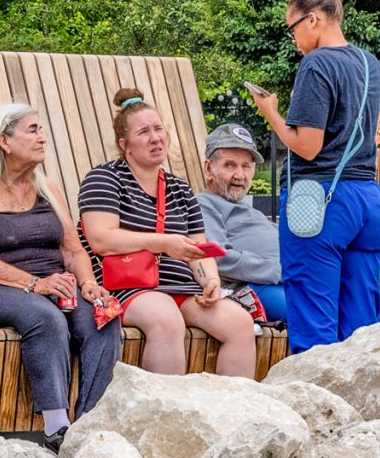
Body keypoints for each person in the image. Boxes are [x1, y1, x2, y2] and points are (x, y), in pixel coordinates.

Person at [0, 103, 123, 446]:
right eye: (33, 130)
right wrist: (33, 284)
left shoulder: (47, 188)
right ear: (4, 141)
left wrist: (88, 284)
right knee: (43, 315)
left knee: (104, 316)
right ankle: (56, 427)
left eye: (41, 129)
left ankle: (88, 426)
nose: (43, 137)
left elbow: (72, 250)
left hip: (51, 287)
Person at [247, 0, 380, 351]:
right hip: (367, 201)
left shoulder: (316, 65)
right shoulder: (369, 64)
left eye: (292, 28)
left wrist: (271, 113)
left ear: (312, 19)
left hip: (320, 201)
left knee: (314, 328)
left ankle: (318, 410)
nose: (293, 38)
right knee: (360, 334)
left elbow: (308, 146)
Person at [79, 89, 258, 378]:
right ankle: (166, 420)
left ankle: (229, 415)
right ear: (125, 144)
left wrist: (210, 281)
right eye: (144, 132)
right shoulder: (104, 178)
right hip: (128, 287)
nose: (155, 137)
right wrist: (162, 243)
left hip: (182, 289)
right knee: (166, 320)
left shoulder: (180, 188)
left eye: (158, 129)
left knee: (239, 322)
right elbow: (101, 239)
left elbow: (199, 248)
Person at [198, 122, 286, 324]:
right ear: (208, 169)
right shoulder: (204, 204)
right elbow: (218, 257)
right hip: (256, 286)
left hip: (294, 279)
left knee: (367, 309)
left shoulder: (251, 212)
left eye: (246, 166)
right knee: (322, 316)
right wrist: (281, 270)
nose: (240, 175)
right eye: (230, 165)